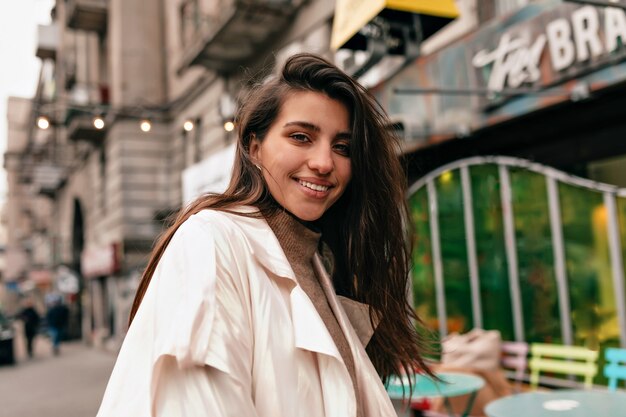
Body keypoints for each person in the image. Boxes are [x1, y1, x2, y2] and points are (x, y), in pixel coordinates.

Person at [97, 53, 433, 417]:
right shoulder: (210, 242)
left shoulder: (320, 264)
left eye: (342, 147)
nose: (324, 163)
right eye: (301, 137)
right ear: (254, 148)